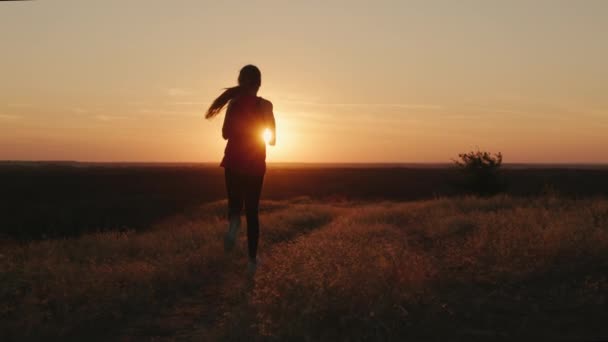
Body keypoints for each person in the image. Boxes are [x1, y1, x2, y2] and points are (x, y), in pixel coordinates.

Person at [205, 65, 276, 275]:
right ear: (259, 83)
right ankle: (252, 262)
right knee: (252, 212)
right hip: (255, 164)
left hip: (233, 161)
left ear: (240, 81)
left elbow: (225, 134)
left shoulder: (233, 104)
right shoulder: (266, 105)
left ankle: (232, 228)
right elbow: (272, 140)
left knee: (235, 205)